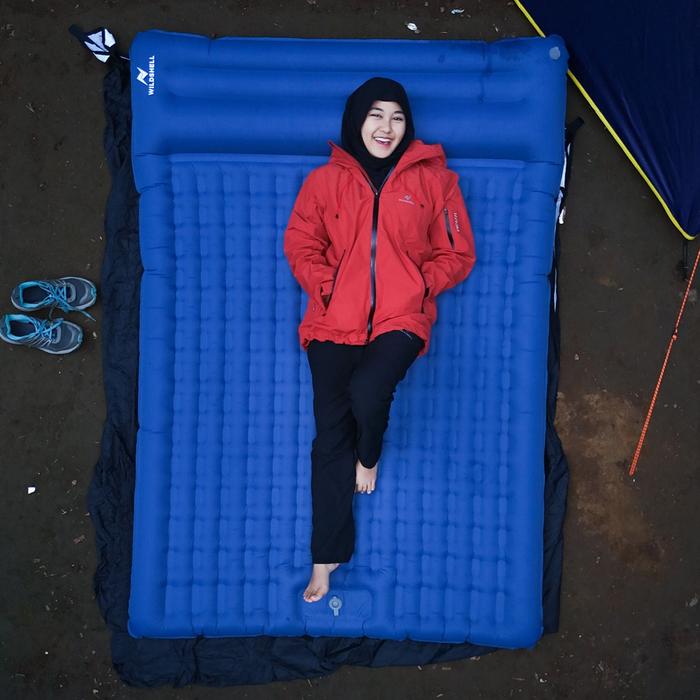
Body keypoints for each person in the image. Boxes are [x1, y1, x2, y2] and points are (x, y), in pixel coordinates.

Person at [283, 77, 476, 604]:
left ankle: (369, 455)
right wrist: (327, 287)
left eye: (396, 117)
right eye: (375, 115)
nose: (386, 127)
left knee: (369, 393)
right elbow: (300, 242)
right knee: (329, 437)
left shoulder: (436, 182)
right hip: (332, 321)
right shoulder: (324, 181)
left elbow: (458, 253)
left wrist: (418, 287)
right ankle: (325, 557)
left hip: (401, 318)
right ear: (356, 121)